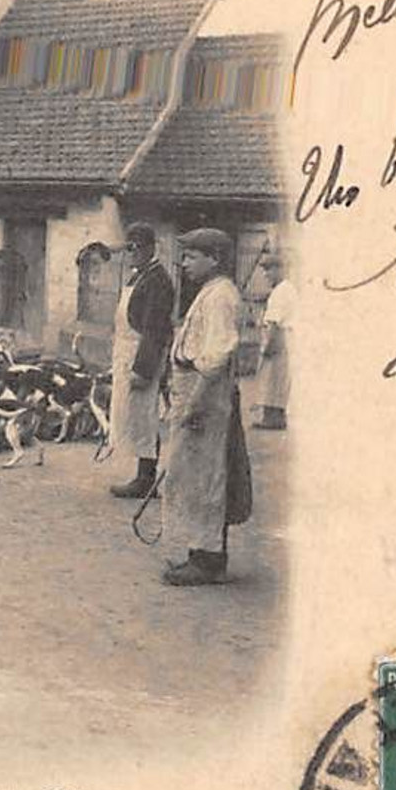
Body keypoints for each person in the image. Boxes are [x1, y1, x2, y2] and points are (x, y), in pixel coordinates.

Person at [158, 228, 251, 586]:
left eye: (191, 256)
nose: (184, 263)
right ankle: (199, 552)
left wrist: (195, 403)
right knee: (191, 476)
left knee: (206, 478)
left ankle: (209, 559)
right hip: (195, 394)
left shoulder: (220, 297)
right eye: (184, 256)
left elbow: (218, 353)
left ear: (215, 258)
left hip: (206, 399)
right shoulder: (210, 293)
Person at [108, 222, 177, 498]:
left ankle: (146, 478)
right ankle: (141, 473)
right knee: (132, 416)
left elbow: (155, 330)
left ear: (151, 248)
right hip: (127, 352)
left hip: (142, 356)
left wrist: (143, 370)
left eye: (137, 248)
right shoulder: (139, 277)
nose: (132, 253)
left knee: (145, 416)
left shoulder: (158, 281)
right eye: (129, 248)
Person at [254, 252, 295, 430]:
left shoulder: (280, 292)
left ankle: (273, 418)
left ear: (281, 269)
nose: (266, 274)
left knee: (273, 378)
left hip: (279, 336)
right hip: (286, 336)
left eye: (270, 270)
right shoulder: (288, 289)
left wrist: (267, 346)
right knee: (277, 379)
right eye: (265, 270)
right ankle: (274, 416)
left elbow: (273, 323)